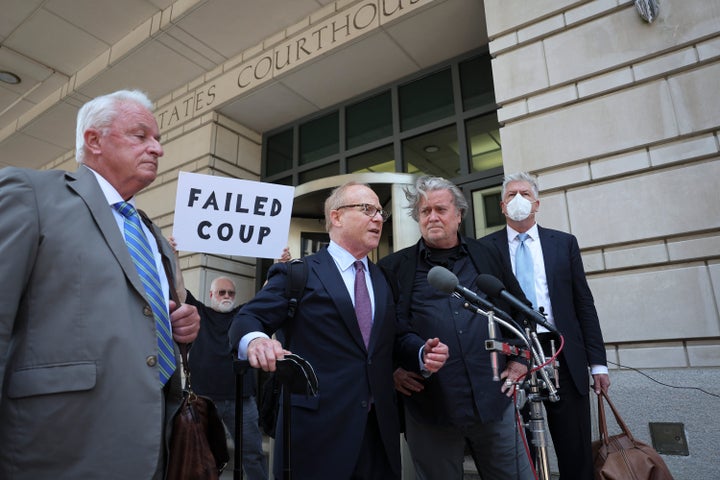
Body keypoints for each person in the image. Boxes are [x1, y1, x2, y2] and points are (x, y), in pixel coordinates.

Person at [0, 89, 201, 479]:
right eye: (141, 136)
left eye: (157, 139)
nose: (157, 149)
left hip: (151, 446)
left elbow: (142, 314)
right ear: (93, 140)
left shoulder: (153, 235)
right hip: (57, 448)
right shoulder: (32, 195)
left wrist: (182, 325)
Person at [229, 181, 450, 480]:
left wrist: (422, 353)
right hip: (316, 433)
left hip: (378, 434)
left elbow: (395, 337)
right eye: (366, 209)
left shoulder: (385, 278)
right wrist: (255, 341)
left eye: (380, 212)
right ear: (336, 217)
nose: (377, 218)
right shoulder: (299, 272)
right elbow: (248, 317)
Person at [378, 175, 534, 480]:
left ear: (459, 214)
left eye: (440, 209)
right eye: (425, 212)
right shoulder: (394, 267)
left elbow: (518, 311)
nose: (432, 217)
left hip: (494, 401)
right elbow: (383, 333)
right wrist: (394, 369)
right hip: (430, 407)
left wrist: (519, 359)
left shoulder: (487, 255)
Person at [481, 171, 610, 480]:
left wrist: (598, 364)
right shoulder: (485, 248)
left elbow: (584, 305)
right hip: (513, 355)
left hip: (561, 353)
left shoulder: (563, 243)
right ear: (501, 206)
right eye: (511, 195)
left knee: (575, 451)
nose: (518, 200)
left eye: (524, 194)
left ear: (536, 203)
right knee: (521, 452)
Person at [168, 247, 268, 480]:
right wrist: (175, 256)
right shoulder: (199, 311)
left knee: (252, 454)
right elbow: (180, 291)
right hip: (203, 400)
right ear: (211, 295)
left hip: (241, 401)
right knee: (200, 455)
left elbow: (265, 296)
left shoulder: (244, 315)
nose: (227, 296)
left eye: (231, 293)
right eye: (221, 292)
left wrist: (282, 265)